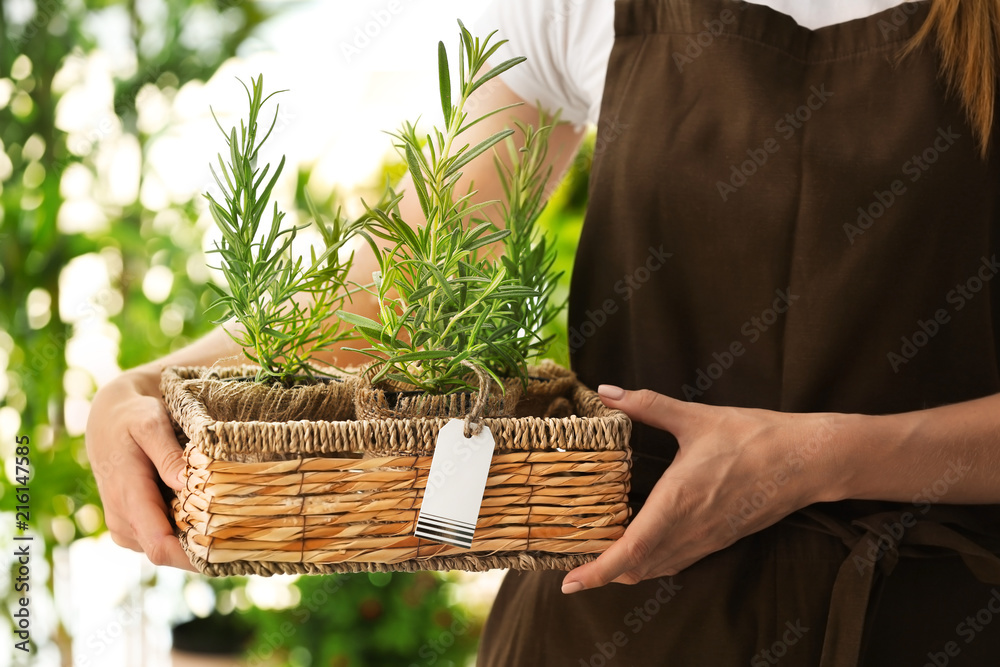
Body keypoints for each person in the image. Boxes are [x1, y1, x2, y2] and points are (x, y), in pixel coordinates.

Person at [86, 0, 1000, 664]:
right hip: (610, 616)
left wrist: (823, 457)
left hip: (929, 617)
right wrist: (147, 386)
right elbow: (394, 286)